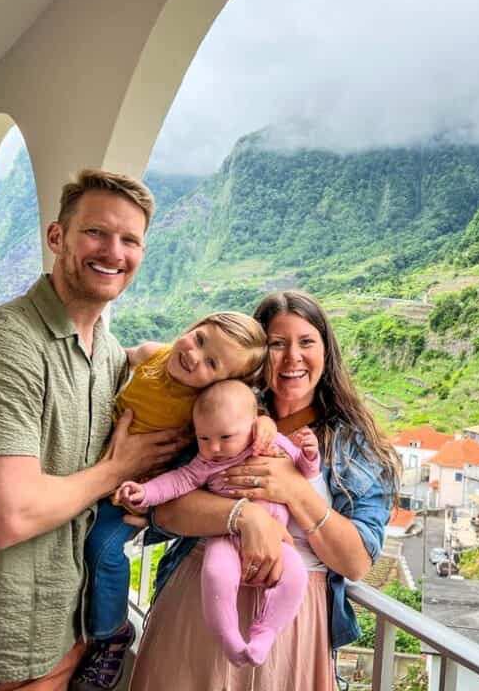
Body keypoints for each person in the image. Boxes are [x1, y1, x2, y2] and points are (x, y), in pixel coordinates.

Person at [0, 169, 188, 691]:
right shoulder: (4, 344)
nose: (113, 251)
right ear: (57, 237)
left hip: (69, 624)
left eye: (130, 239)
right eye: (96, 232)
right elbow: (6, 516)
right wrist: (119, 470)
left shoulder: (109, 354)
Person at [130, 290, 401, 691]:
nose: (293, 357)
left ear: (326, 352)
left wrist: (295, 491)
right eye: (278, 344)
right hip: (199, 600)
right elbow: (164, 510)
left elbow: (357, 562)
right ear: (258, 355)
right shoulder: (222, 410)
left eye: (307, 342)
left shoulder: (351, 444)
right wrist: (245, 516)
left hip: (293, 621)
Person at [74, 314, 273, 690]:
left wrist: (265, 425)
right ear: (192, 326)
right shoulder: (154, 353)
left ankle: (111, 634)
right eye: (199, 339)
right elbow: (112, 358)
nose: (194, 356)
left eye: (211, 363)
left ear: (221, 382)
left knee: (102, 548)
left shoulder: (198, 406)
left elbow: (245, 414)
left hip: (131, 494)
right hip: (95, 466)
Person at [117, 379, 320, 666]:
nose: (214, 447)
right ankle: (230, 640)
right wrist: (145, 492)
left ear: (253, 425)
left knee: (296, 575)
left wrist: (310, 454)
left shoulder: (270, 444)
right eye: (204, 438)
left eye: (225, 438)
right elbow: (178, 481)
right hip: (226, 535)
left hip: (276, 538)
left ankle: (264, 634)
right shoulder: (205, 462)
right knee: (215, 575)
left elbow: (304, 468)